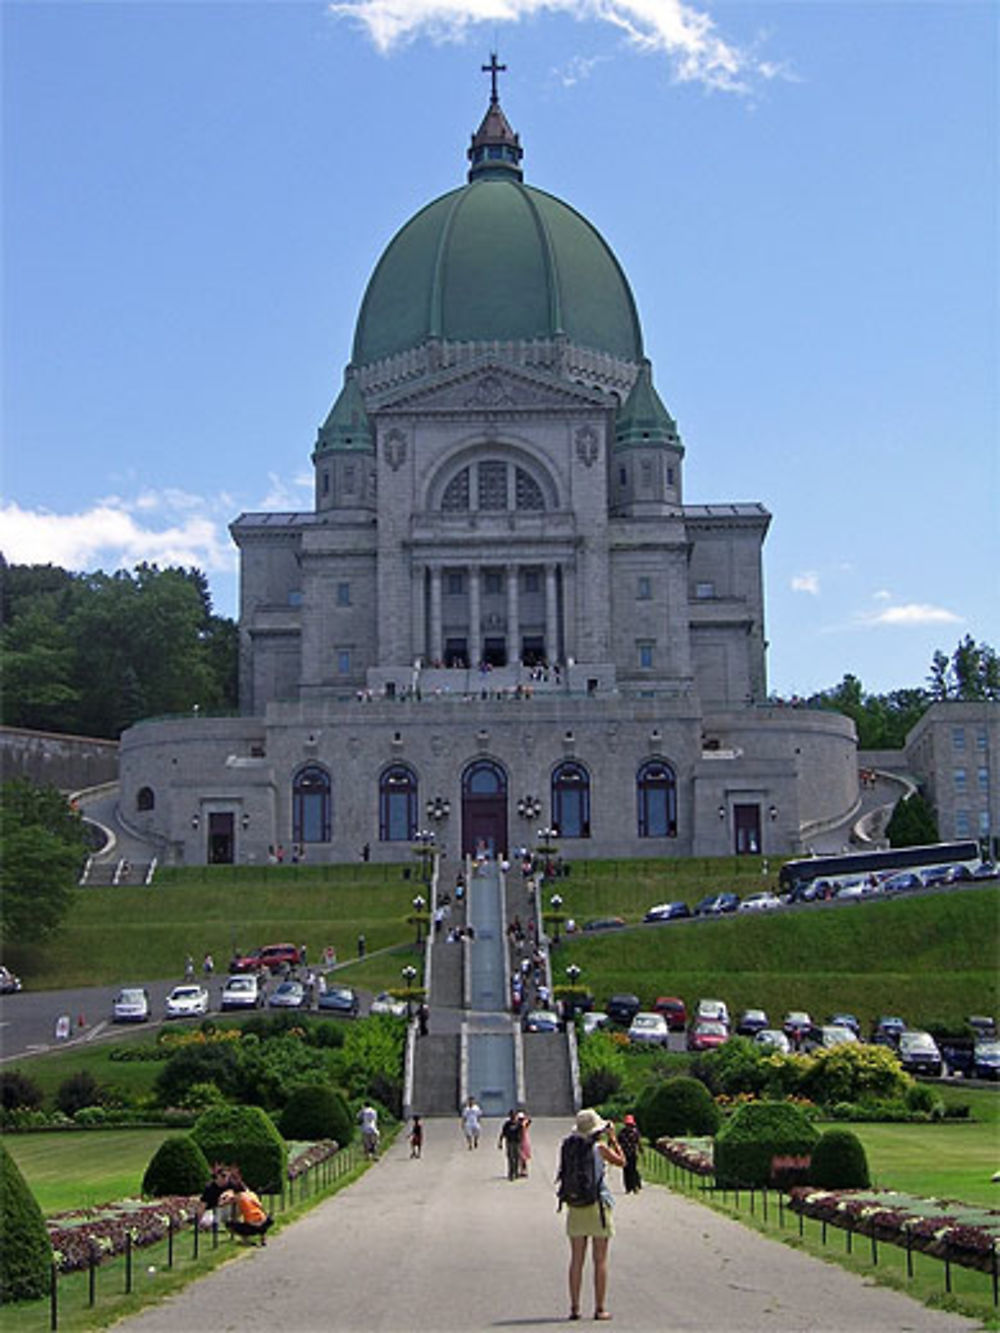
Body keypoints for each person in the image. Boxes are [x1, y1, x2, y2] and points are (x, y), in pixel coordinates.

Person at [558, 1108, 625, 1322]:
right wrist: (613, 1138)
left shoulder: (570, 1147)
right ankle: (600, 1308)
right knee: (600, 1260)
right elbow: (622, 1161)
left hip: (575, 1206)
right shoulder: (600, 1148)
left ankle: (575, 1307)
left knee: (576, 1260)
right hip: (598, 1205)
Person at [221, 1178, 272, 1246]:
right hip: (265, 1222)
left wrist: (222, 1200)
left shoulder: (239, 1196)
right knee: (259, 1217)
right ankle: (263, 1239)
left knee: (230, 1224)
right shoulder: (251, 1194)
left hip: (252, 1226)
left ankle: (245, 1241)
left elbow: (223, 1203)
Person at [619, 1114, 642, 1194]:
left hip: (633, 1153)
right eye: (627, 1124)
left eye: (630, 1124)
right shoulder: (622, 1132)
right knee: (626, 1170)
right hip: (624, 1153)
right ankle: (628, 1187)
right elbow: (618, 1143)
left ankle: (635, 1186)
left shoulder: (635, 1132)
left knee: (633, 1170)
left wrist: (640, 1149)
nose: (629, 1126)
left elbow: (638, 1142)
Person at [498, 1108, 522, 1181]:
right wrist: (500, 1142)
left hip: (517, 1142)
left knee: (517, 1158)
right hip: (509, 1142)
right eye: (511, 1115)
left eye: (514, 1115)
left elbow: (522, 1133)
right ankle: (511, 1173)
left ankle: (516, 1171)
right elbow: (503, 1133)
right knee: (511, 1158)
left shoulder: (518, 1124)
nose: (512, 1116)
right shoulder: (507, 1124)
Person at [517, 1109, 532, 1178]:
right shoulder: (518, 1124)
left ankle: (524, 1171)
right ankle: (521, 1170)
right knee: (520, 1158)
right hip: (520, 1141)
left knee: (523, 1158)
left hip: (524, 1141)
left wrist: (525, 1119)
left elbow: (529, 1121)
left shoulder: (523, 1125)